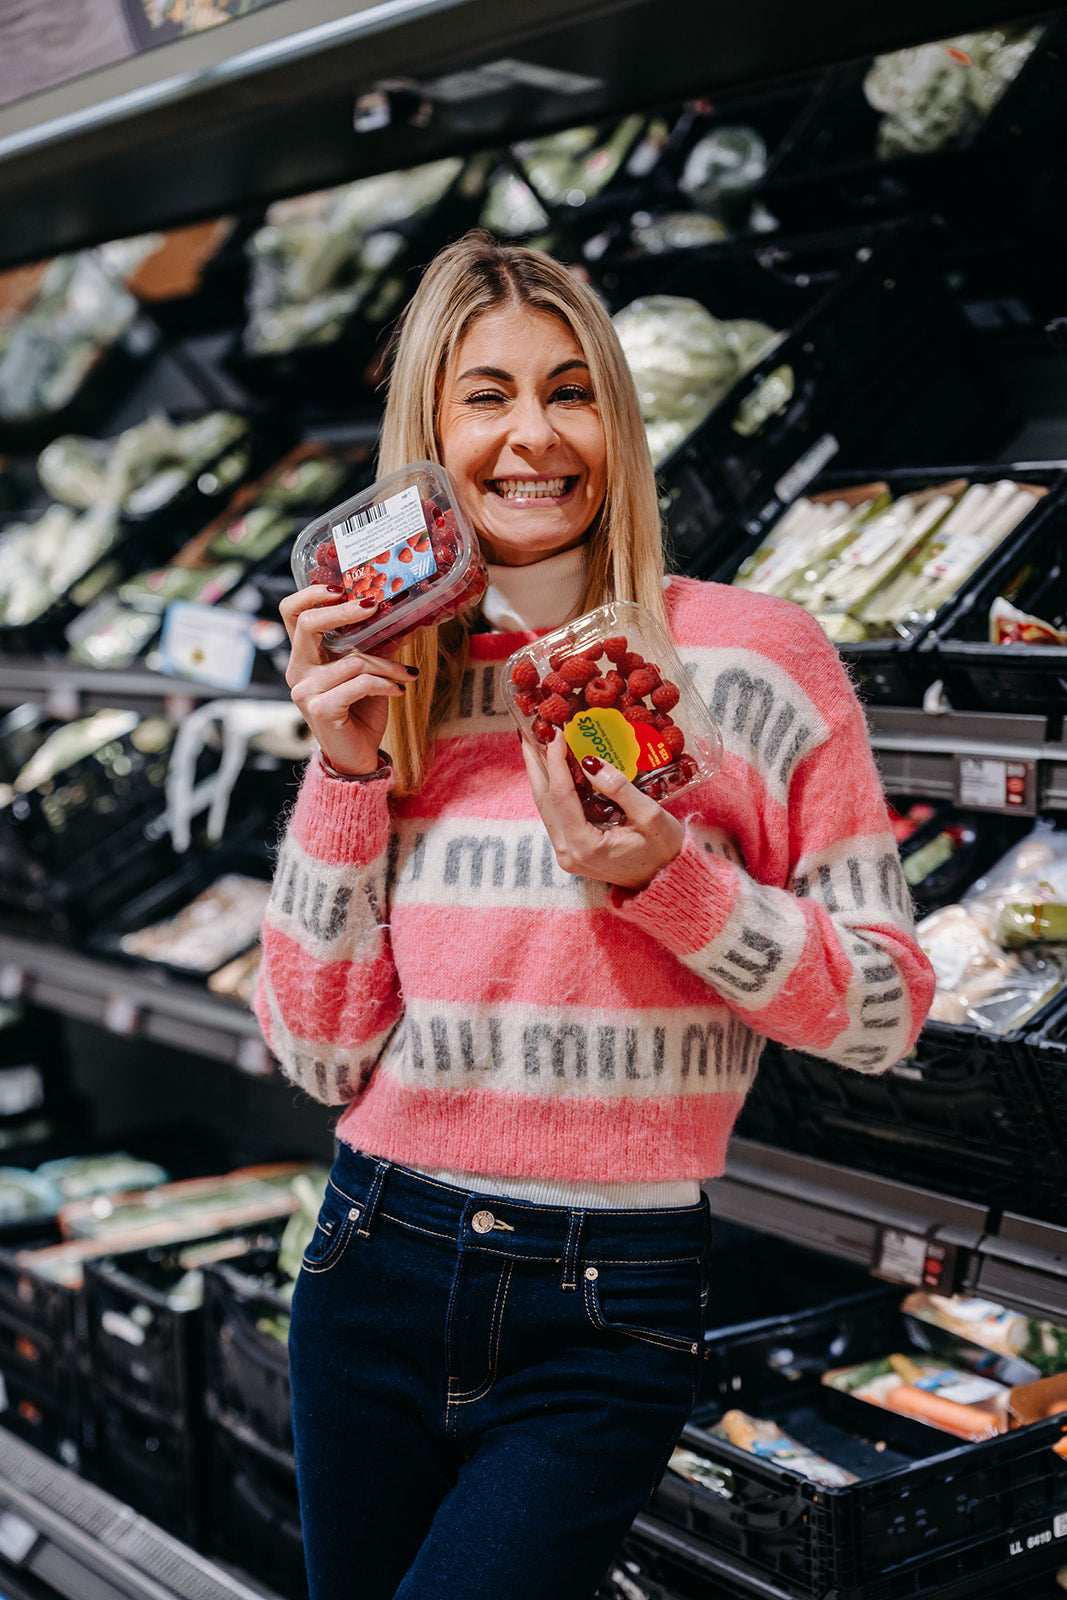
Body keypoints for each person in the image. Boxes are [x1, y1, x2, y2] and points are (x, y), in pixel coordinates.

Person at [255, 230, 934, 1600]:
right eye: (486, 396)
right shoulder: (397, 685)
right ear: (430, 438)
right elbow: (320, 1053)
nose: (533, 438)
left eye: (570, 392)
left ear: (616, 424)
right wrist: (342, 774)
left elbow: (885, 1006)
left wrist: (664, 882)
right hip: (372, 1255)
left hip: (606, 1301)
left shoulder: (754, 657)